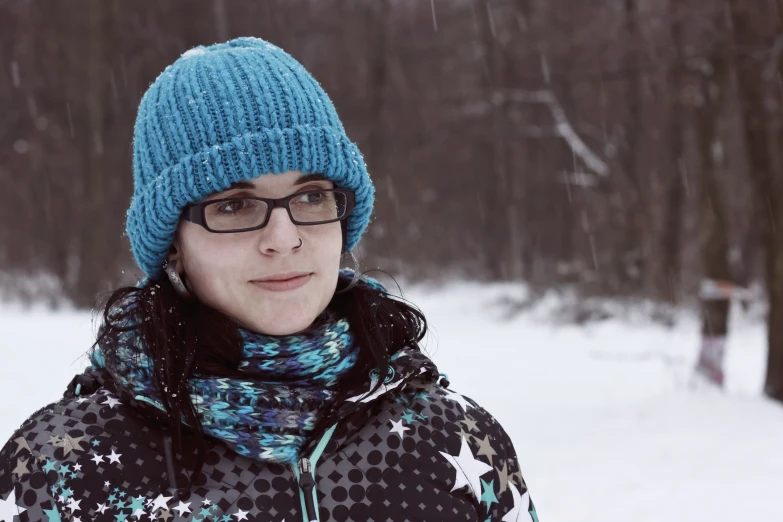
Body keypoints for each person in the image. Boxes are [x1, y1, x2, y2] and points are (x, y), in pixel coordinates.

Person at [0, 37, 538, 522]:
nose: (284, 237)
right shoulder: (62, 467)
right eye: (234, 205)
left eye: (310, 197)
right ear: (174, 250)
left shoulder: (455, 441)